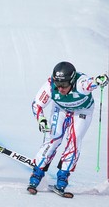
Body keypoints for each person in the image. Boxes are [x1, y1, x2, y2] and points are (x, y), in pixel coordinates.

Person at [27, 61, 108, 194]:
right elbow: (37, 104)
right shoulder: (50, 86)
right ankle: (37, 174)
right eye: (58, 84)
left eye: (64, 84)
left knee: (74, 141)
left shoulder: (81, 83)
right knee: (54, 138)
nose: (60, 88)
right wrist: (41, 119)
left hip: (82, 110)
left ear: (72, 80)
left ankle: (62, 179)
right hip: (61, 108)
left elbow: (92, 82)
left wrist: (101, 80)